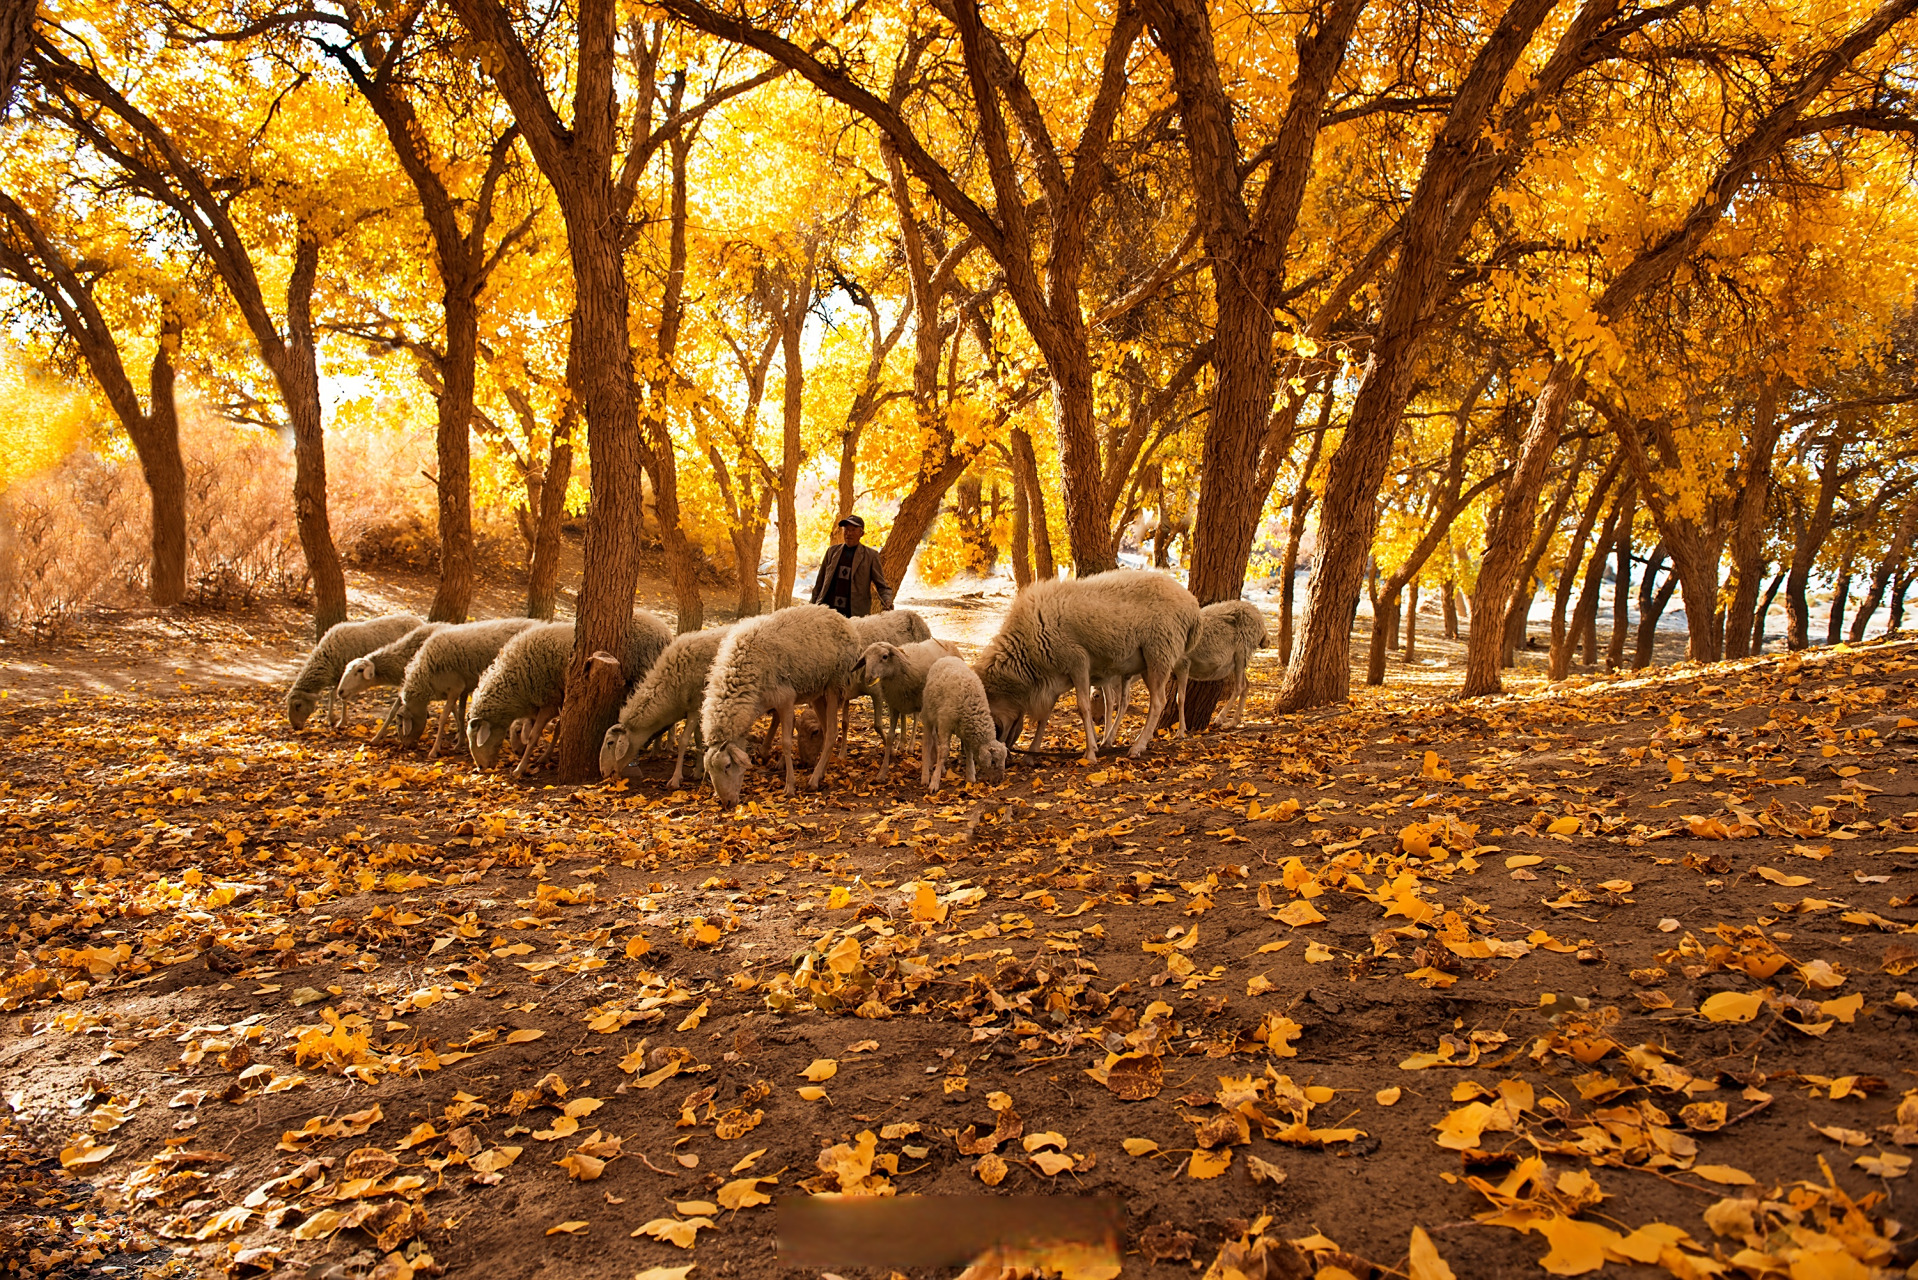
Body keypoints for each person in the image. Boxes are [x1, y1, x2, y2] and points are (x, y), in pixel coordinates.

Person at [810, 515, 894, 617]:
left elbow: (882, 586)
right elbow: (820, 583)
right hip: (828, 612)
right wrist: (811, 607)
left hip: (854, 615)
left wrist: (887, 600)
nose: (848, 533)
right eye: (846, 529)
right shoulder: (832, 552)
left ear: (861, 533)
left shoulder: (871, 556)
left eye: (853, 530)